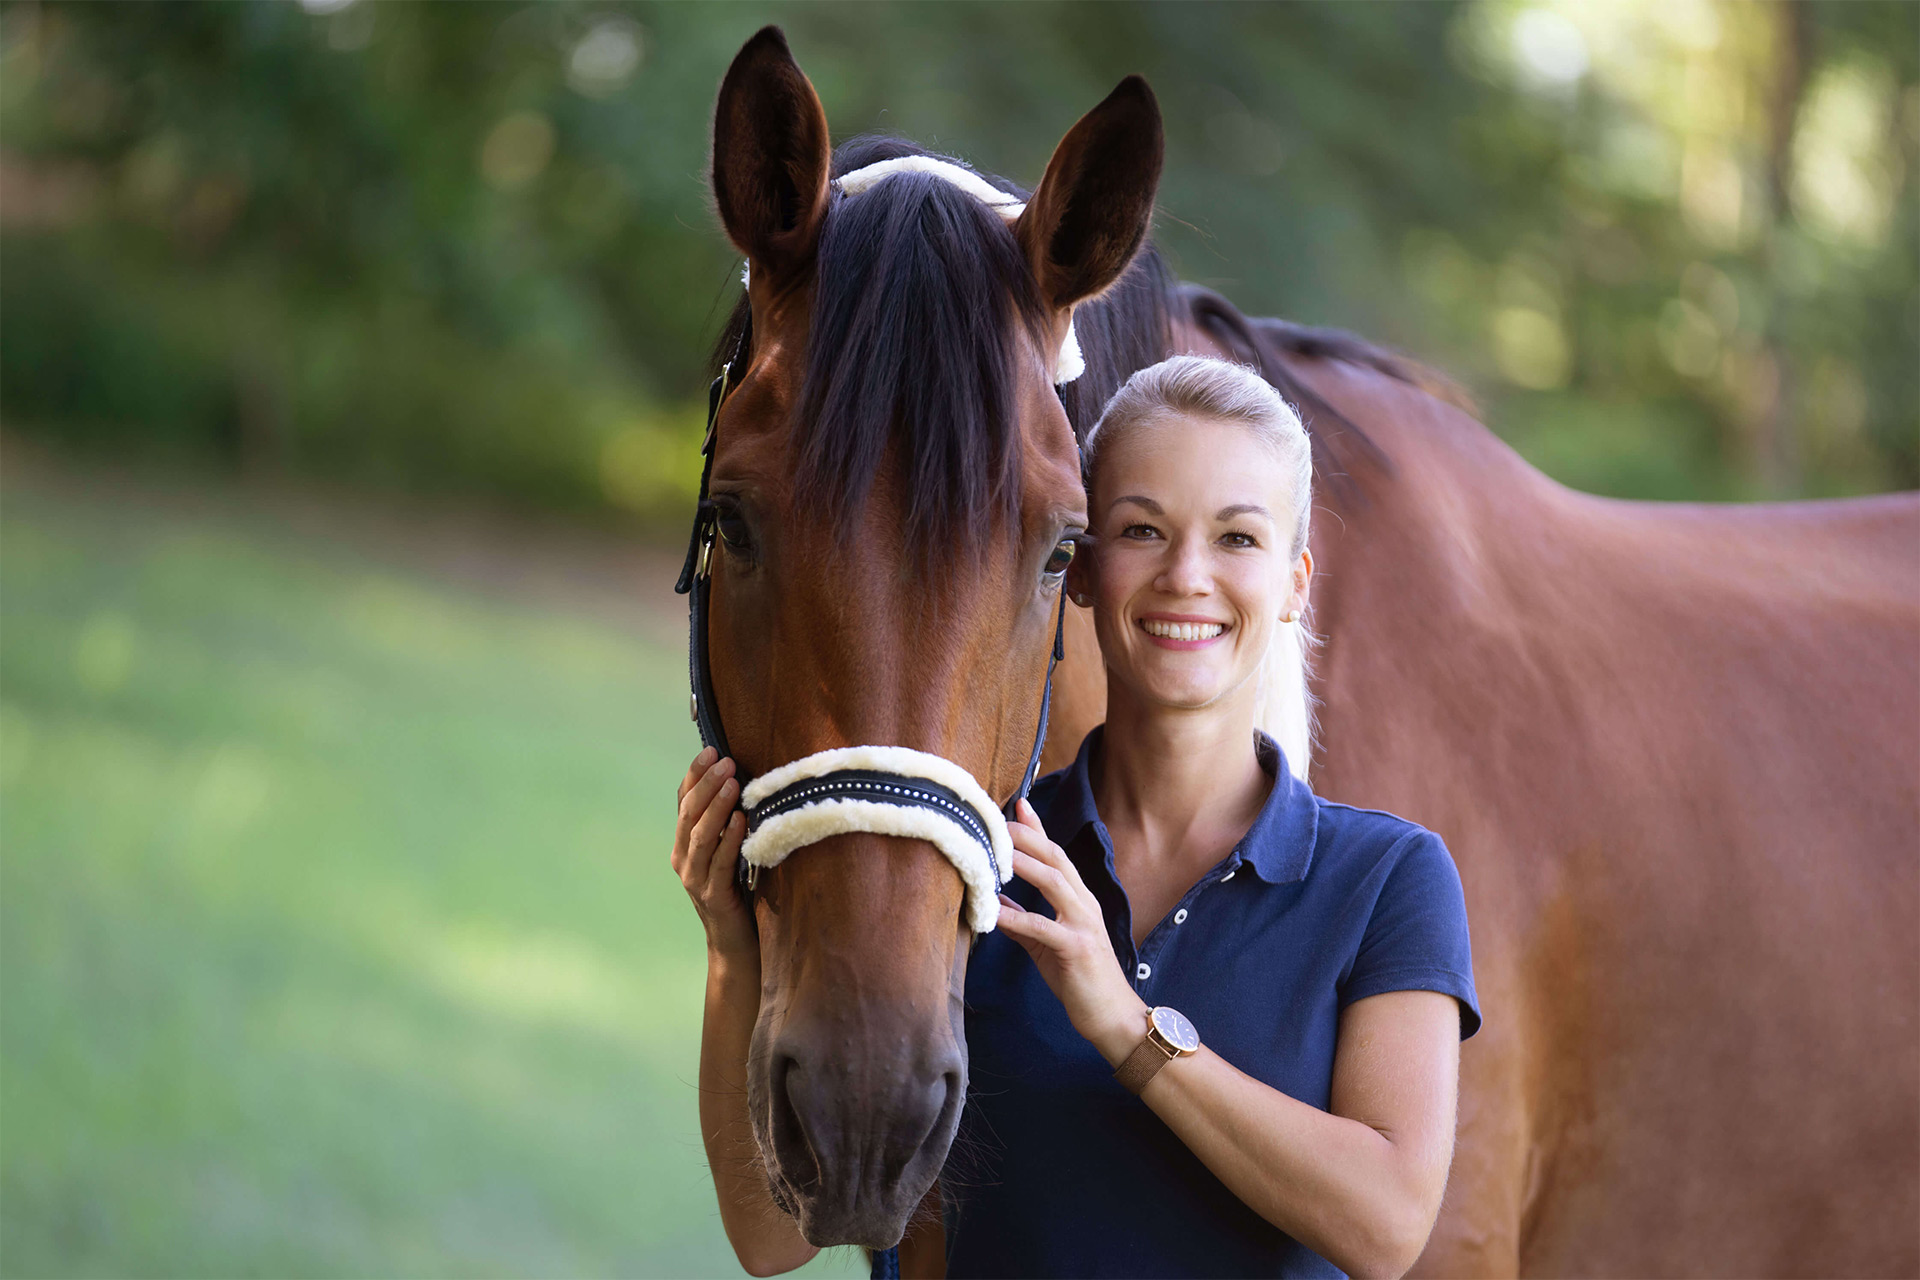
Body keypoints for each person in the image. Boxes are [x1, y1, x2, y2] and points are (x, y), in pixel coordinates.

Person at [672, 355, 1478, 1278]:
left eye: (1237, 539)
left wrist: (1127, 1028)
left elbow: (1386, 1227)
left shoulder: (1388, 881)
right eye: (1143, 529)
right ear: (1081, 569)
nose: (1187, 575)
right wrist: (736, 956)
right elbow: (773, 1239)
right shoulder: (972, 856)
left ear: (1296, 582)